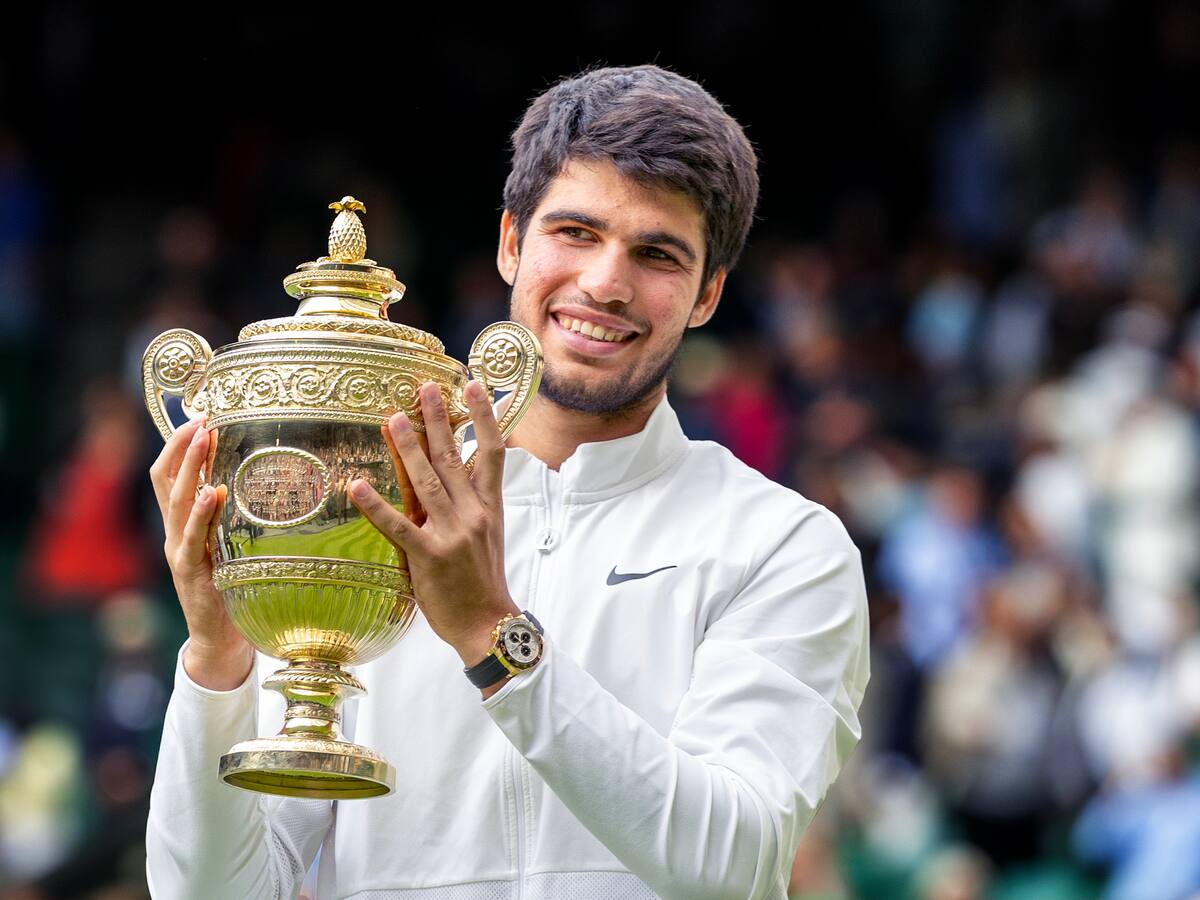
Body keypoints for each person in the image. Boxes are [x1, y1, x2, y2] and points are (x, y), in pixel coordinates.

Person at [145, 65, 870, 899]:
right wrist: (215, 659)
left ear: (708, 294)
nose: (605, 282)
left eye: (657, 253)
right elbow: (210, 893)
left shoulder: (780, 544)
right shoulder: (371, 510)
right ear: (510, 244)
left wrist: (496, 640)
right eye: (576, 232)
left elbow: (731, 863)